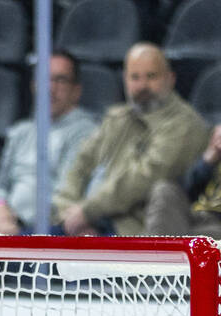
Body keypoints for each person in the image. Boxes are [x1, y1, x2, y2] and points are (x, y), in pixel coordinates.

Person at [53, 42, 208, 237]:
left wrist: (86, 212)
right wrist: (68, 215)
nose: (143, 85)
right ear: (125, 80)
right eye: (135, 77)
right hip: (81, 225)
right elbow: (78, 166)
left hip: (128, 232)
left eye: (151, 76)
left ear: (170, 79)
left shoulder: (185, 124)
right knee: (17, 247)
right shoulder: (116, 117)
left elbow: (143, 178)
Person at [0, 51, 97, 236]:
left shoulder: (86, 132)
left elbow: (65, 197)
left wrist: (14, 224)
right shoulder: (20, 131)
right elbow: (0, 186)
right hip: (6, 226)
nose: (51, 88)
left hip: (49, 230)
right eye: (45, 79)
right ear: (34, 86)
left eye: (60, 80)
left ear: (76, 90)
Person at [143, 124, 221, 237]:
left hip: (216, 224)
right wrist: (208, 160)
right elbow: (187, 189)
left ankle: (160, 246)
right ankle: (162, 245)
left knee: (163, 235)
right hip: (193, 215)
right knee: (164, 189)